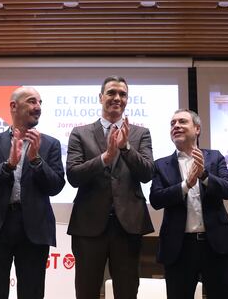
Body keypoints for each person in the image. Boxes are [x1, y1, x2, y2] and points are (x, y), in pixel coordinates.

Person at [0, 86, 66, 299]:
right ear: (14, 106)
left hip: (34, 229)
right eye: (32, 101)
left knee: (32, 294)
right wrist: (7, 165)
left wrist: (36, 160)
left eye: (40, 103)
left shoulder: (50, 144)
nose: (38, 107)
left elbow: (56, 186)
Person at [66, 75, 154, 299]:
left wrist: (125, 148)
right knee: (86, 291)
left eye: (122, 94)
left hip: (128, 226)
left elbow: (147, 173)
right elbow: (74, 175)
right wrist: (105, 158)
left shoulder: (140, 133)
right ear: (100, 97)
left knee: (127, 292)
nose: (117, 98)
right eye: (112, 93)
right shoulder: (80, 133)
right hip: (88, 225)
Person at [150, 109, 228, 299]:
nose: (176, 126)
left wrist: (204, 175)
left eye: (182, 121)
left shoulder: (214, 157)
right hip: (179, 247)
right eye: (173, 123)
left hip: (214, 244)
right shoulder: (161, 164)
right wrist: (185, 185)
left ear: (197, 129)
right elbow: (156, 200)